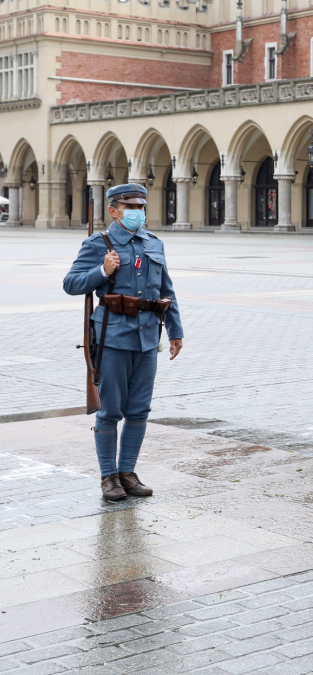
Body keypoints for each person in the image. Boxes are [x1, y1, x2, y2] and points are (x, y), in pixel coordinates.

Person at [63, 183, 183, 501]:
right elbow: (71, 283)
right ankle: (109, 477)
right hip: (112, 336)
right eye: (130, 208)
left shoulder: (154, 244)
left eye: (141, 208)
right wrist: (102, 270)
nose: (137, 213)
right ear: (114, 211)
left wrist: (176, 330)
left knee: (140, 410)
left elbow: (166, 291)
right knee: (110, 410)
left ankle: (127, 472)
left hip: (147, 337)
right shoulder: (98, 243)